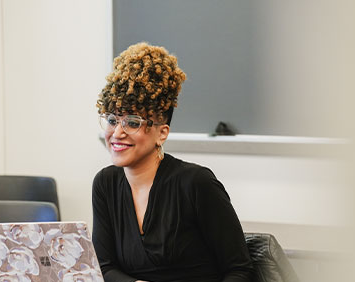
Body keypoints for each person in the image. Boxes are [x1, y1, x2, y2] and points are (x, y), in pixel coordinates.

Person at [92, 42, 253, 282]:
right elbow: (105, 268)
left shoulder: (196, 183)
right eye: (113, 120)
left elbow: (240, 271)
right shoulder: (105, 183)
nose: (117, 133)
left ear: (162, 133)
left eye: (133, 122)